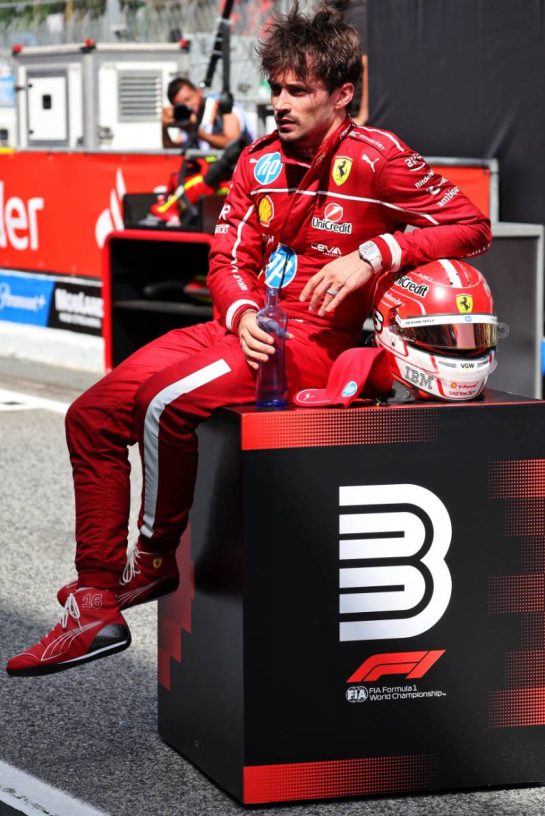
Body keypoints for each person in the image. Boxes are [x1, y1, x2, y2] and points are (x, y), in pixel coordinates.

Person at [6, 1, 492, 677]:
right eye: (275, 89)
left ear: (341, 94)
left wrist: (376, 254)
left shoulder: (380, 158)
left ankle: (147, 565)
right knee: (92, 416)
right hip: (241, 328)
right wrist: (236, 314)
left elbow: (473, 224)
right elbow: (225, 257)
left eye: (299, 91)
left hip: (313, 344)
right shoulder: (257, 161)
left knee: (164, 404)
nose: (280, 105)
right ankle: (93, 599)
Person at [161, 75, 255, 150]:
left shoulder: (223, 105)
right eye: (182, 105)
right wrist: (164, 127)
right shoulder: (187, 117)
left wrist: (197, 132)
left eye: (188, 99)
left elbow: (233, 143)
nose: (189, 106)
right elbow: (174, 151)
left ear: (199, 92)